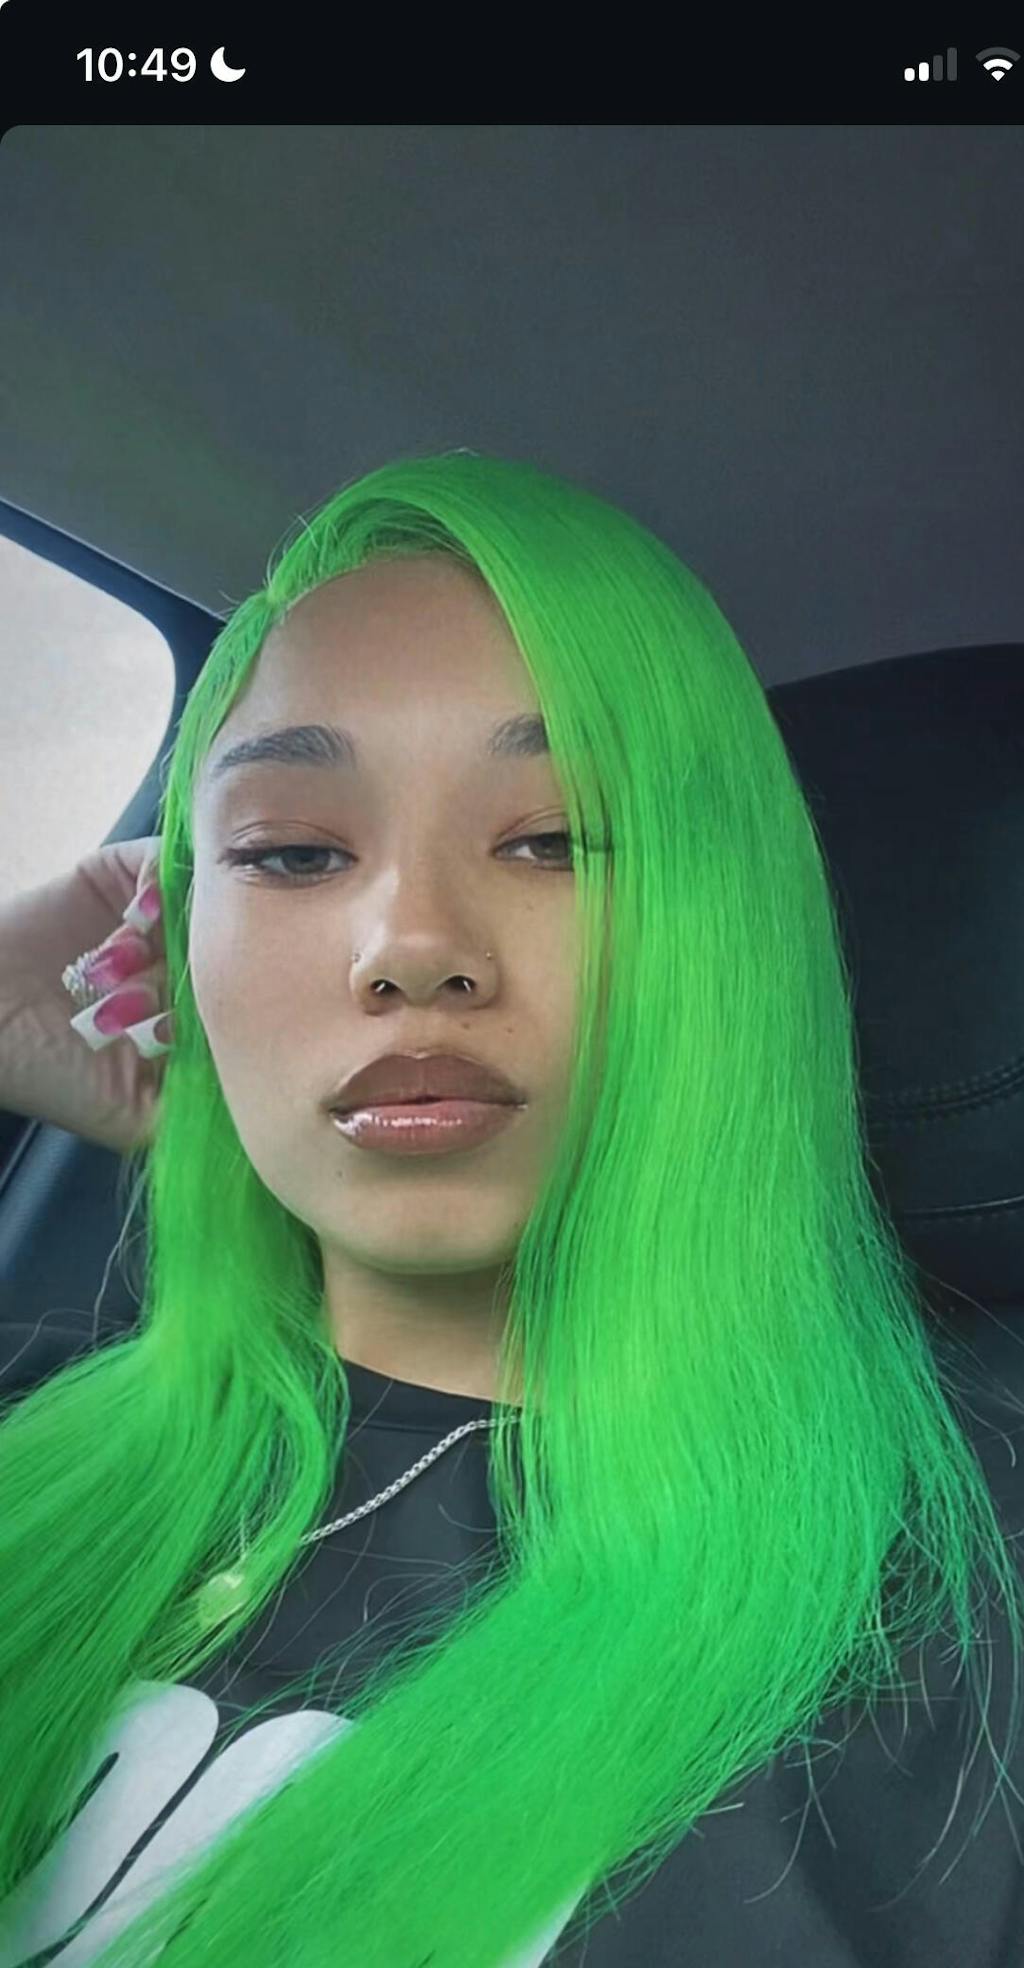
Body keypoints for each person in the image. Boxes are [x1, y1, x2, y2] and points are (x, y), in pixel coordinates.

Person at [0, 449, 1022, 1968]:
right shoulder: (34, 1420)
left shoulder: (960, 1602)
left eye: (552, 839)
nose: (409, 946)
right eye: (290, 852)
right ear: (183, 938)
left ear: (732, 931)